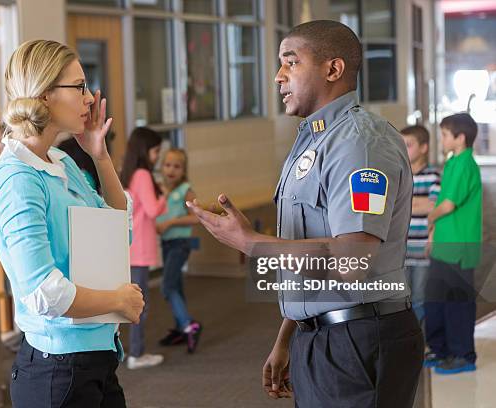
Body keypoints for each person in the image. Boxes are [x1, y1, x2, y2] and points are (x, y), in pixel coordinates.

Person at [187, 20, 423, 407]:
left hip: (360, 338)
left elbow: (352, 258)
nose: (278, 76)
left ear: (333, 69)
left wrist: (251, 243)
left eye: (291, 62)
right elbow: (310, 252)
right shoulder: (315, 140)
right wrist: (289, 335)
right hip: (322, 335)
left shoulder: (360, 144)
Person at [0, 40, 144, 408]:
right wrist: (117, 300)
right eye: (80, 87)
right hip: (57, 372)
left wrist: (99, 156)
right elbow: (44, 292)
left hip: (95, 359)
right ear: (44, 96)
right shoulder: (17, 179)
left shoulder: (60, 160)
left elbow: (119, 233)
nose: (90, 98)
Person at [424, 113, 482, 375]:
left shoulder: (465, 165)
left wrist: (430, 217)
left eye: (445, 134)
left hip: (459, 247)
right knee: (437, 301)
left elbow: (446, 205)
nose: (441, 139)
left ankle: (463, 355)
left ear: (460, 138)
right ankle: (442, 349)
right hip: (444, 245)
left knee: (458, 304)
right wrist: (433, 236)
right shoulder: (451, 163)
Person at [120, 127, 166, 369]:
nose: (158, 156)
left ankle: (124, 352)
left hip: (126, 247)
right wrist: (165, 196)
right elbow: (153, 210)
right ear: (145, 151)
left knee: (122, 303)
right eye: (156, 151)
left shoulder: (126, 174)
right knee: (140, 304)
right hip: (139, 249)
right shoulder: (143, 175)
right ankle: (137, 354)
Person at [155, 149, 202, 353]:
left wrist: (172, 223)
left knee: (167, 286)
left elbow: (197, 217)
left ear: (183, 170)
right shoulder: (159, 189)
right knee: (176, 285)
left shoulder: (185, 190)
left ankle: (188, 325)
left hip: (180, 243)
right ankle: (180, 328)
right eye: (167, 165)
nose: (171, 170)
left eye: (177, 166)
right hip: (166, 244)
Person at [401, 125, 440, 325]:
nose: (403, 149)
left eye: (408, 145)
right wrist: (416, 204)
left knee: (419, 300)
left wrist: (406, 204)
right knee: (401, 302)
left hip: (422, 252)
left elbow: (433, 207)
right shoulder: (400, 175)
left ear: (424, 147)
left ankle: (421, 345)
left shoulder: (433, 176)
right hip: (402, 252)